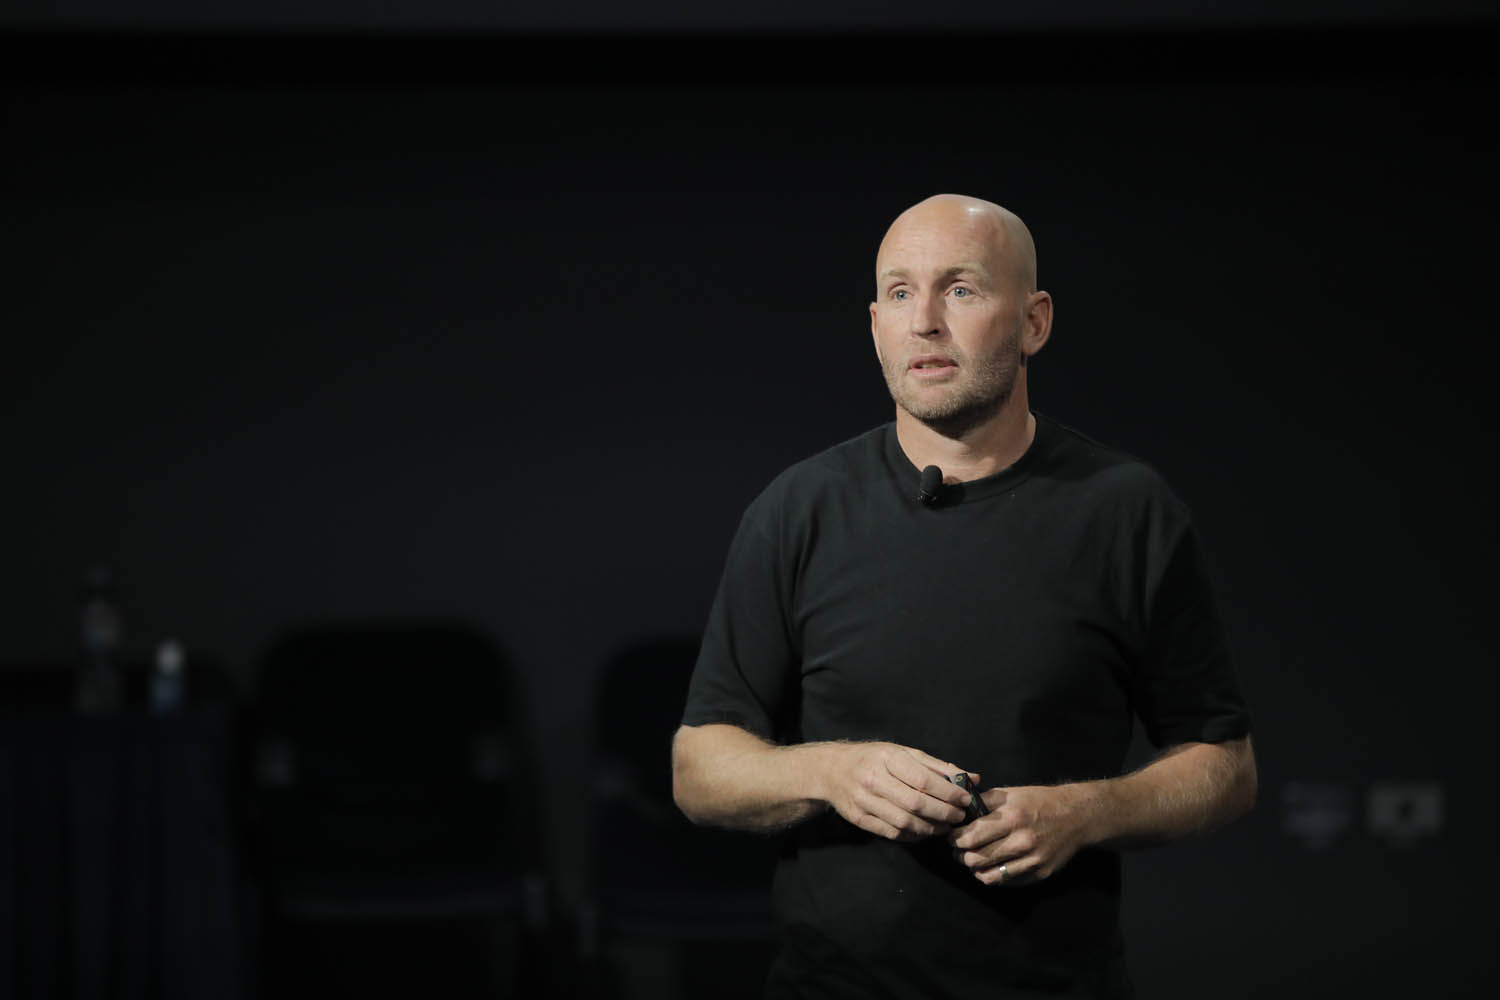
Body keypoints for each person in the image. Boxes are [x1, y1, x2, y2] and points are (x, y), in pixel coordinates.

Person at [672, 193, 1256, 998]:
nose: (925, 322)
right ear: (875, 323)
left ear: (1035, 322)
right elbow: (700, 768)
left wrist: (1085, 813)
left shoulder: (1125, 511)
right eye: (902, 293)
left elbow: (1224, 765)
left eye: (962, 288)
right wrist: (837, 774)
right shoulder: (796, 510)